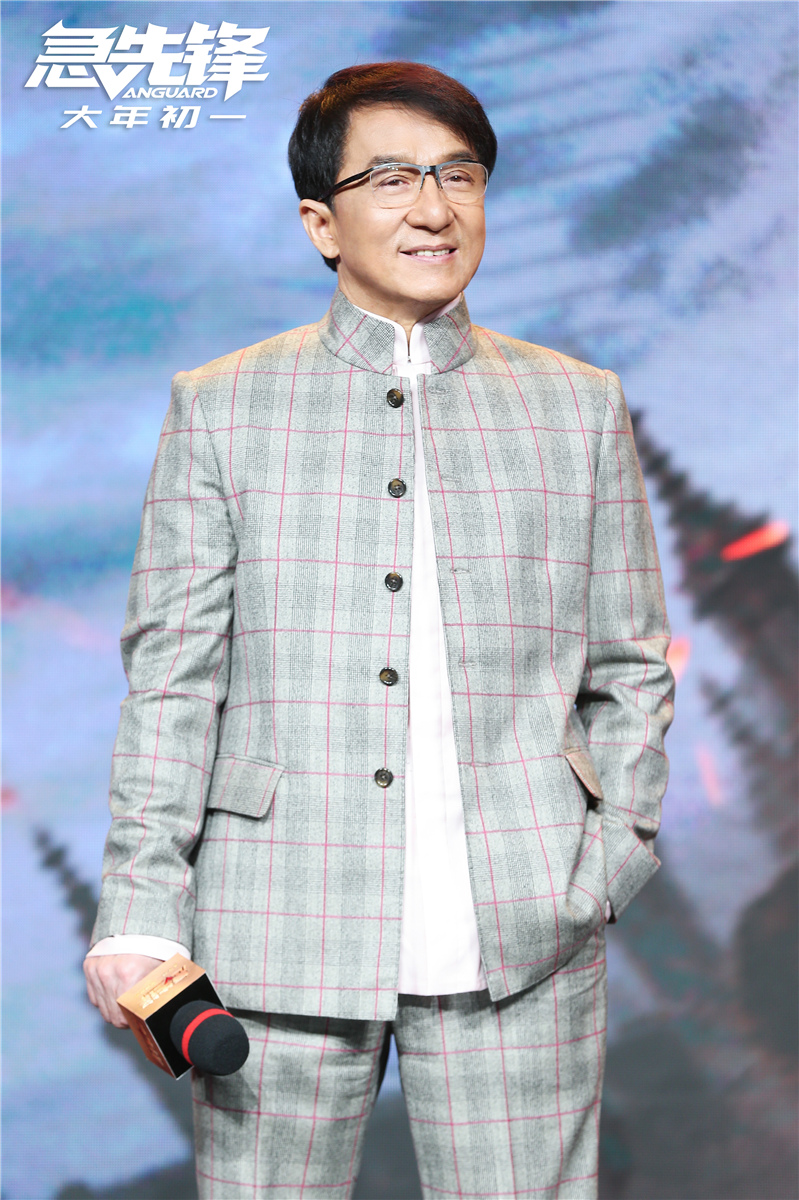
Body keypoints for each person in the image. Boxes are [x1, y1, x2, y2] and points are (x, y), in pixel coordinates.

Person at [84, 62, 674, 1200]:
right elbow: (173, 682)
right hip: (276, 923)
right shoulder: (223, 406)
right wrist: (141, 911)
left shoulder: (576, 404)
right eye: (393, 178)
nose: (434, 207)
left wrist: (606, 864)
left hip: (526, 930)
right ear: (321, 222)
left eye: (461, 175)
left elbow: (630, 665)